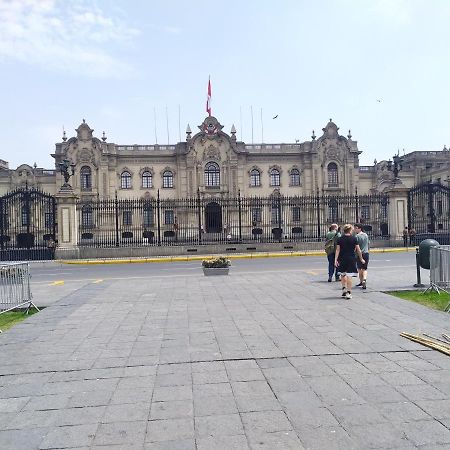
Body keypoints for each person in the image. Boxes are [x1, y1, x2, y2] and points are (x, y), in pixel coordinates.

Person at [334, 223, 365, 300]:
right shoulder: (354, 239)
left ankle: (344, 288)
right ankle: (349, 292)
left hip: (342, 258)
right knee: (349, 275)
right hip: (351, 258)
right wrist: (361, 259)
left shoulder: (340, 239)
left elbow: (337, 250)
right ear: (350, 230)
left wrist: (335, 260)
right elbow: (358, 250)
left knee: (343, 274)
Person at [354, 223, 369, 290]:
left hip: (359, 254)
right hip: (366, 253)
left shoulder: (356, 236)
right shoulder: (366, 235)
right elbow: (368, 244)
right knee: (365, 268)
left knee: (360, 268)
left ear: (359, 228)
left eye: (356, 228)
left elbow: (355, 247)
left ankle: (361, 281)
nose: (355, 229)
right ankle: (364, 279)